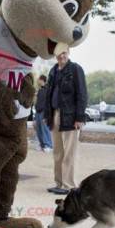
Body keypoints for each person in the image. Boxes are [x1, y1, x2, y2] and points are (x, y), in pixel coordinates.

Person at [44, 47, 88, 195]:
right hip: (54, 114)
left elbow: (82, 94)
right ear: (55, 55)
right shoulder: (53, 71)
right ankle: (59, 183)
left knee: (69, 152)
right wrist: (47, 115)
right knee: (57, 152)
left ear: (68, 53)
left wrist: (80, 117)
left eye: (64, 53)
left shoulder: (75, 69)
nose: (61, 56)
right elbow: (48, 95)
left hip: (70, 115)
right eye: (59, 53)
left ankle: (69, 185)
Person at [35, 75, 53, 152]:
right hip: (37, 112)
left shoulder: (48, 89)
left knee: (45, 128)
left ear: (42, 80)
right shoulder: (40, 90)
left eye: (38, 80)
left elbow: (49, 102)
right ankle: (42, 145)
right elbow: (38, 102)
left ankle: (48, 145)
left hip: (44, 112)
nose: (37, 81)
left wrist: (47, 114)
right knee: (39, 129)